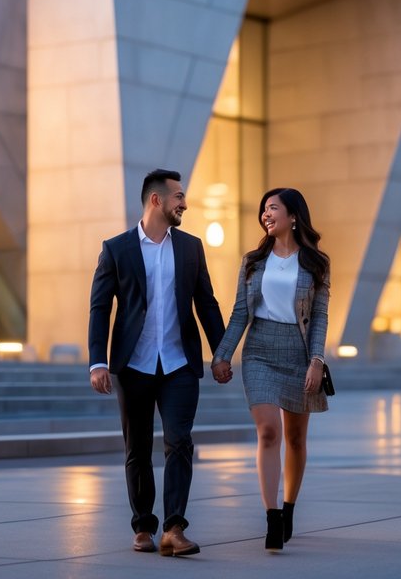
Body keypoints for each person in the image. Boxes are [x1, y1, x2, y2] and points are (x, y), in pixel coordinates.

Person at [88, 168, 228, 557]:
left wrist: (220, 352)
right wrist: (97, 361)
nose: (185, 203)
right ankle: (143, 526)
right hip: (133, 365)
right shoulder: (116, 249)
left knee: (180, 442)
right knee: (137, 448)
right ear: (156, 200)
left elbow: (207, 304)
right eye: (179, 197)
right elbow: (100, 308)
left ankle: (174, 528)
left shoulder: (190, 247)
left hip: (180, 364)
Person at [211, 186, 329, 552]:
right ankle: (272, 516)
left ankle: (290, 507)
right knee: (268, 431)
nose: (266, 214)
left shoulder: (316, 263)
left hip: (298, 353)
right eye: (263, 209)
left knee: (295, 438)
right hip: (259, 351)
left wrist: (316, 361)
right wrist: (222, 354)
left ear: (293, 216)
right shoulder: (252, 262)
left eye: (273, 208)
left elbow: (320, 317)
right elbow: (239, 313)